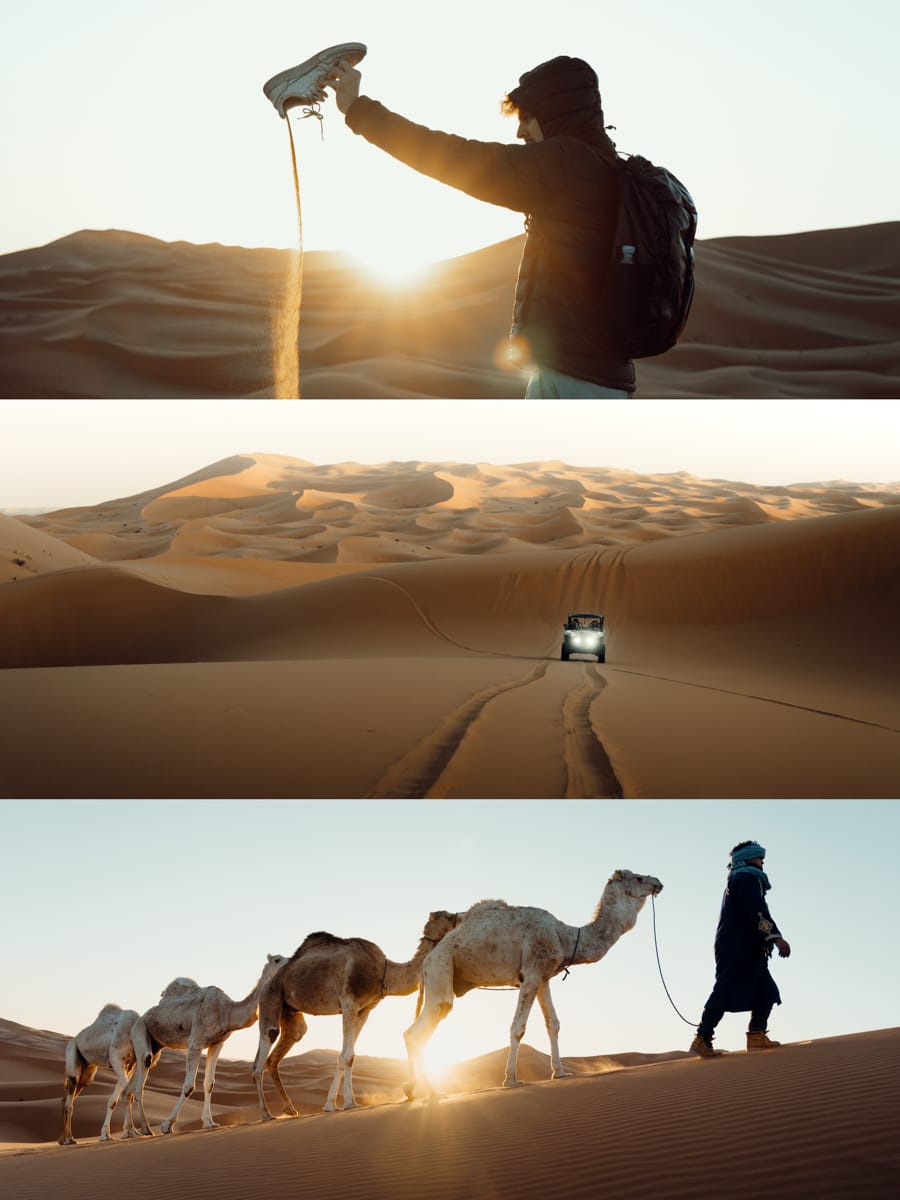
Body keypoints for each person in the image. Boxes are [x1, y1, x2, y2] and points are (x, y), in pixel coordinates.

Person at [323, 55, 634, 399]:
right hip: (602, 379)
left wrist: (357, 109)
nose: (520, 131)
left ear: (556, 111)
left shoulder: (567, 164)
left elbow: (457, 159)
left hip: (573, 380)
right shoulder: (608, 168)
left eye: (528, 118)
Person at [691, 840, 791, 1057]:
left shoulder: (741, 878)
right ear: (745, 859)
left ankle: (756, 1036)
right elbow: (758, 911)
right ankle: (702, 1038)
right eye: (758, 857)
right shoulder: (745, 877)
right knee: (725, 989)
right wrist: (776, 938)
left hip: (746, 946)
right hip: (737, 946)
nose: (762, 861)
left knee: (766, 991)